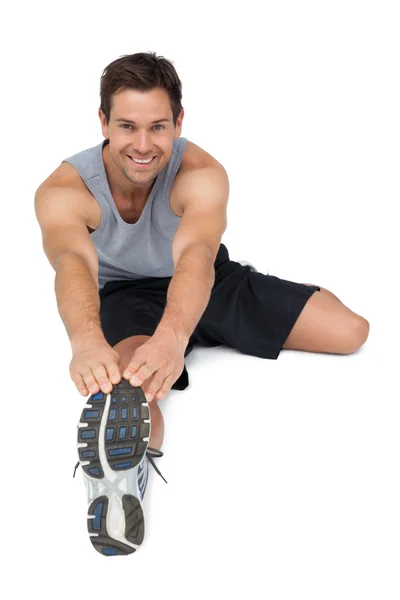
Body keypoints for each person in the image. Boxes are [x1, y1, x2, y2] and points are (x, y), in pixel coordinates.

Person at [34, 51, 370, 555]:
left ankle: (215, 326)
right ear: (102, 121)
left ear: (178, 123)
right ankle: (122, 478)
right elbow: (72, 264)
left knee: (351, 332)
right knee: (130, 385)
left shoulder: (202, 172)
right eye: (127, 126)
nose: (143, 145)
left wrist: (175, 335)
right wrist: (85, 340)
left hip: (208, 281)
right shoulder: (64, 189)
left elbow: (196, 255)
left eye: (158, 126)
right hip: (128, 295)